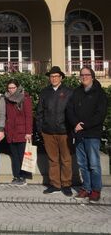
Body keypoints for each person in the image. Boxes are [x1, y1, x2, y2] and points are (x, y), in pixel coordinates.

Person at [67, 67, 108, 203]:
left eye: (87, 75)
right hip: (79, 134)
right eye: (82, 75)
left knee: (94, 164)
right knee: (82, 163)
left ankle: (96, 190)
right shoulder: (76, 92)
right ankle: (86, 188)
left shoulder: (100, 94)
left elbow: (100, 115)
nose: (84, 77)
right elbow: (70, 110)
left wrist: (83, 125)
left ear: (93, 76)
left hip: (92, 134)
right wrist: (75, 124)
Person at [36, 66, 73, 196]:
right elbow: (39, 112)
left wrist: (72, 129)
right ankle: (55, 184)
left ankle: (66, 184)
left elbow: (72, 113)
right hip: (48, 131)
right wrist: (40, 129)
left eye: (56, 76)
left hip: (65, 132)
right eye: (51, 76)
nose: (54, 78)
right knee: (52, 159)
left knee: (66, 159)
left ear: (61, 77)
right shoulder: (45, 92)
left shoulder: (69, 92)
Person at [4, 79, 33, 186]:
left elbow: (29, 116)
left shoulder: (24, 98)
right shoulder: (6, 98)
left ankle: (23, 177)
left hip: (22, 132)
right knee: (14, 156)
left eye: (13, 88)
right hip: (11, 132)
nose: (11, 90)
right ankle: (17, 176)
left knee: (22, 156)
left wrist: (28, 132)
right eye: (9, 88)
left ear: (17, 87)